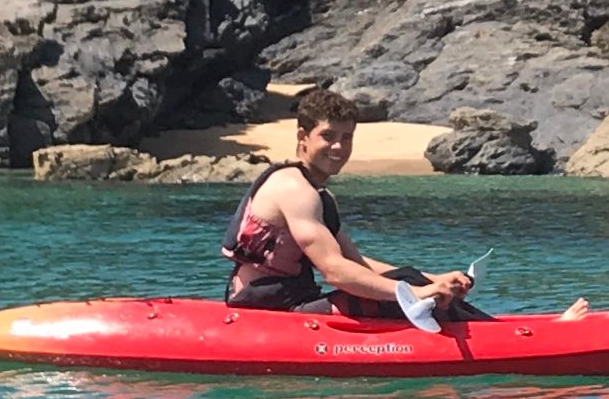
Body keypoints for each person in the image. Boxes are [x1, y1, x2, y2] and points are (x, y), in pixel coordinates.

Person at [222, 89, 587, 322]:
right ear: (303, 137)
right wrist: (417, 293)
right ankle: (524, 338)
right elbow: (335, 272)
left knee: (407, 276)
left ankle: (509, 330)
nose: (339, 147)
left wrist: (432, 280)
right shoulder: (293, 188)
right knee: (404, 293)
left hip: (296, 302)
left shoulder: (320, 195)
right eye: (328, 137)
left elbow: (356, 263)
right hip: (270, 311)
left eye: (346, 138)